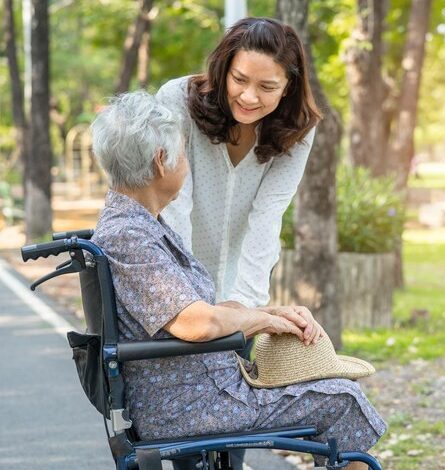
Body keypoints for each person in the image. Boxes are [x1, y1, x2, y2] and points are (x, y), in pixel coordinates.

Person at [90, 91, 385, 469]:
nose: (187, 164)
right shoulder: (129, 235)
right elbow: (200, 322)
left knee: (337, 394)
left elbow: (195, 312)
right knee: (343, 400)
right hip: (189, 405)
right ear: (161, 162)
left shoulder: (140, 226)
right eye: (183, 153)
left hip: (195, 392)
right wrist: (264, 320)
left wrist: (274, 312)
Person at [157, 18, 321, 341]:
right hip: (175, 294)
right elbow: (175, 204)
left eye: (267, 87)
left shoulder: (299, 130)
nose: (248, 96)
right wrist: (193, 305)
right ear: (223, 69)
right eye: (239, 79)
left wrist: (241, 306)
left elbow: (268, 217)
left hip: (239, 292)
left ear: (288, 86)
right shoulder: (177, 100)